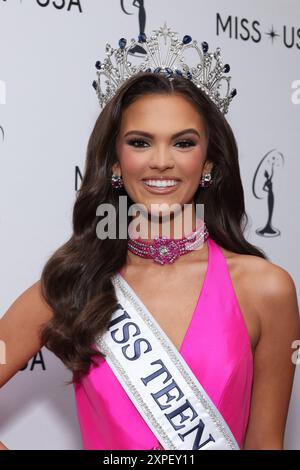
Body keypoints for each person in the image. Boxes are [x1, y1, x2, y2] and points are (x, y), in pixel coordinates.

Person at [0, 25, 300, 451]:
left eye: (183, 143)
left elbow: (266, 443)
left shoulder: (266, 289)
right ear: (116, 164)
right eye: (140, 142)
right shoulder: (76, 285)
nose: (161, 162)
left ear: (208, 163)